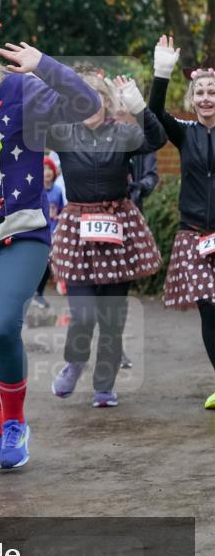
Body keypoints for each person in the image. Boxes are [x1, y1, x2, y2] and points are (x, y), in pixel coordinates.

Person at [0, 6, 100, 473]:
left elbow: (89, 105)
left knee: (0, 326)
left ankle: (15, 425)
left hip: (20, 233)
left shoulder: (18, 90)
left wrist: (45, 67)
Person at [48, 73, 166, 407]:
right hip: (77, 228)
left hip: (117, 225)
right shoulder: (64, 133)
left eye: (95, 97)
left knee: (112, 316)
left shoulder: (124, 133)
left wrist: (140, 106)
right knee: (83, 314)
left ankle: (104, 385)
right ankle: (75, 361)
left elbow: (156, 139)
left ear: (106, 101)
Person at [149, 37, 215, 410]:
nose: (206, 98)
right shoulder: (185, 132)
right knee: (208, 307)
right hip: (195, 235)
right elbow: (155, 113)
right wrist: (162, 73)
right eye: (200, 92)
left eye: (212, 92)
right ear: (193, 98)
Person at [33, 156, 65, 309]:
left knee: (48, 265)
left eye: (49, 169)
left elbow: (61, 210)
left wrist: (59, 218)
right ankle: (32, 292)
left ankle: (38, 293)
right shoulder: (35, 189)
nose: (47, 172)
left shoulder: (57, 191)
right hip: (38, 232)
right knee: (37, 263)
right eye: (44, 169)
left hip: (53, 233)